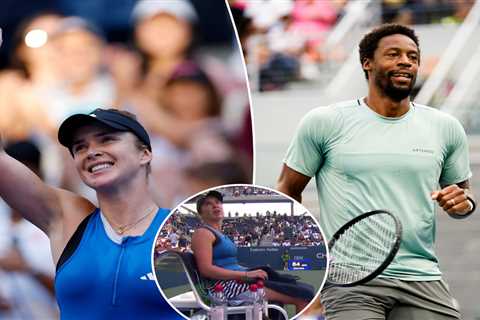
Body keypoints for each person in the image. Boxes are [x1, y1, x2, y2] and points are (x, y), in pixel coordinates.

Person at [277, 23, 476, 320]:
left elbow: (464, 198)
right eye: (393, 54)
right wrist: (304, 266)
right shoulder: (324, 122)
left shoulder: (445, 127)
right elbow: (287, 189)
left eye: (412, 56)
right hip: (351, 280)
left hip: (422, 276)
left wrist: (463, 203)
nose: (405, 61)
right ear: (367, 63)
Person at [0, 108, 181, 319]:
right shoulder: (70, 219)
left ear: (144, 153)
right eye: (80, 147)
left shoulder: (186, 230)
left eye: (106, 140)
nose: (91, 152)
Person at [191, 190, 312, 314]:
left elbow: (229, 265)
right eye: (208, 204)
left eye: (217, 202)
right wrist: (246, 274)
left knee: (305, 289)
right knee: (304, 296)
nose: (215, 205)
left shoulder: (220, 234)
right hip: (225, 287)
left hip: (237, 280)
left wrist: (249, 271)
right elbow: (206, 270)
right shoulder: (203, 233)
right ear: (200, 214)